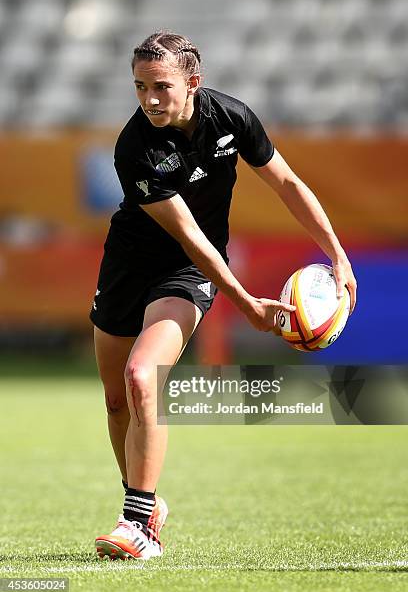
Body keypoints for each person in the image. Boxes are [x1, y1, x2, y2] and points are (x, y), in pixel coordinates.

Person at [91, 31, 357, 561]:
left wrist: (337, 253)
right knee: (117, 401)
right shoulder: (135, 146)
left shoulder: (231, 118)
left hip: (186, 272)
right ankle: (146, 505)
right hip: (127, 266)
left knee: (143, 376)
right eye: (140, 87)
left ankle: (137, 525)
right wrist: (248, 305)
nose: (150, 99)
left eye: (161, 86)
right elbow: (186, 229)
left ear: (193, 82)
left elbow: (287, 185)